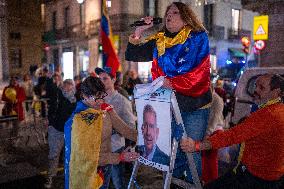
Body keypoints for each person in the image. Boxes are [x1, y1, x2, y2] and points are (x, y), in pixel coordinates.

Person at [125, 2, 211, 181]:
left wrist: (170, 82)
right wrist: (139, 31)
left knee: (190, 149)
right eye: (167, 13)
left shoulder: (197, 37)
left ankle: (193, 183)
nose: (169, 16)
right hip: (168, 105)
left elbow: (199, 75)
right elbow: (134, 54)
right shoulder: (160, 39)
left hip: (195, 105)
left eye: (175, 12)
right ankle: (176, 183)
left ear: (186, 16)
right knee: (174, 150)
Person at [180, 74, 284, 189]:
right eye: (255, 86)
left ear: (276, 92)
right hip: (266, 176)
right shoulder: (277, 110)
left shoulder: (269, 114)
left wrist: (197, 145)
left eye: (261, 88)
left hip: (256, 178)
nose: (255, 90)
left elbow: (233, 135)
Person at [64, 76, 139, 189]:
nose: (100, 101)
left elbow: (124, 129)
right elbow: (88, 157)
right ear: (84, 96)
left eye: (102, 96)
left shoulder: (105, 109)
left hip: (106, 166)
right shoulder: (78, 120)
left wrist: (147, 138)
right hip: (86, 173)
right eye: (96, 98)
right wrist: (120, 157)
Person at [95, 67, 136, 189]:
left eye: (105, 78)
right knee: (101, 183)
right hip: (100, 149)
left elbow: (130, 126)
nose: (101, 82)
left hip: (116, 147)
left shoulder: (122, 101)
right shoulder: (97, 100)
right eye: (100, 79)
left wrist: (114, 129)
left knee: (119, 183)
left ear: (113, 79)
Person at [44, 79, 76, 188]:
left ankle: (68, 177)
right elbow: (52, 108)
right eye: (66, 85)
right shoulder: (58, 96)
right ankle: (51, 176)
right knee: (53, 154)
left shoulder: (75, 100)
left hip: (70, 132)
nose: (68, 87)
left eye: (70, 85)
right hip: (56, 130)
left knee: (70, 155)